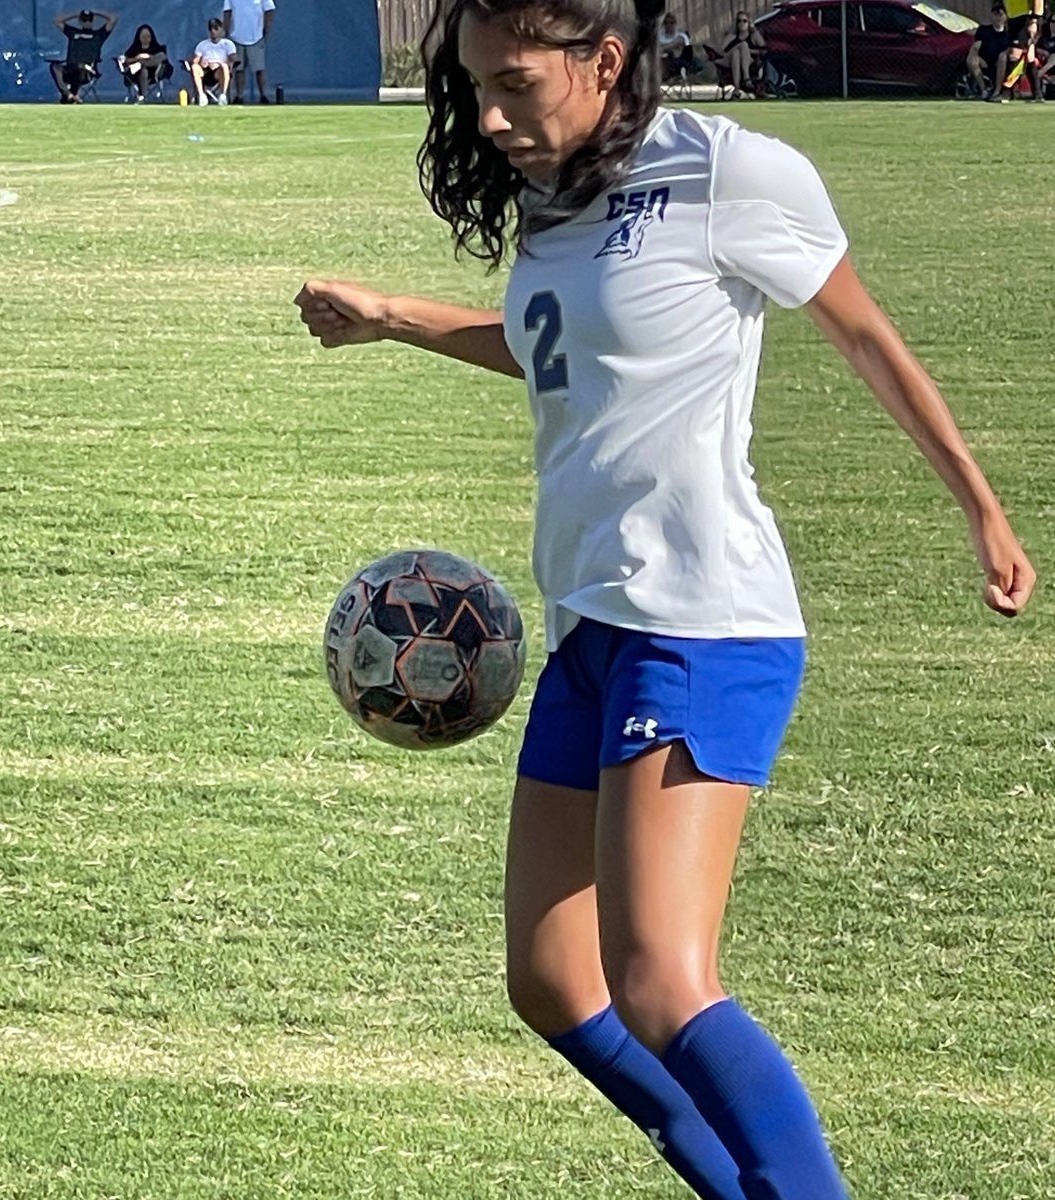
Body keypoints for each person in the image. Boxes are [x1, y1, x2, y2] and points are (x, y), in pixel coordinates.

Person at [295, 0, 1036, 1196]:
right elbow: (558, 347)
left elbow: (864, 338)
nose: (490, 119)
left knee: (659, 981)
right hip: (594, 625)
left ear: (604, 59)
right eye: (476, 88)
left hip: (702, 621)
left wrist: (980, 506)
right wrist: (394, 320)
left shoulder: (727, 171)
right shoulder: (557, 195)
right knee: (554, 981)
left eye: (514, 85)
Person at [50, 8, 117, 103]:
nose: (87, 22)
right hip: (70, 69)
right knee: (55, 67)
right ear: (80, 21)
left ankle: (71, 95)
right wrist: (76, 14)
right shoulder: (73, 33)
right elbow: (57, 21)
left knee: (79, 67)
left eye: (89, 19)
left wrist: (96, 13)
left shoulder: (99, 35)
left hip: (87, 71)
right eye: (84, 20)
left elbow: (113, 19)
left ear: (92, 21)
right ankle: (68, 94)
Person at [222, 0, 276, 103]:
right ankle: (239, 96)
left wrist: (266, 28)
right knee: (239, 69)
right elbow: (227, 12)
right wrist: (227, 31)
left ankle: (263, 95)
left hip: (256, 36)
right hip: (236, 36)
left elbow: (269, 10)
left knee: (259, 68)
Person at [988, 10, 1043, 100]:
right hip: (1015, 20)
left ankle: (1007, 91)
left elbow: (1037, 4)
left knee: (1015, 55)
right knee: (1029, 57)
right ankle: (1038, 93)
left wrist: (1034, 20)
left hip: (1024, 21)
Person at [118, 23, 171, 103]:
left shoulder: (158, 48)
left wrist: (148, 57)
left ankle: (141, 64)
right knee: (143, 70)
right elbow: (126, 60)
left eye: (148, 36)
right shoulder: (133, 49)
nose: (146, 38)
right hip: (136, 75)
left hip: (155, 74)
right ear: (139, 37)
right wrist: (138, 57)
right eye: (143, 36)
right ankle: (142, 96)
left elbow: (163, 58)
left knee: (161, 56)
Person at [968, 2, 1012, 98]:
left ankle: (997, 91)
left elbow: (1011, 50)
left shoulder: (1010, 33)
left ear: (1006, 17)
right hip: (985, 62)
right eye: (995, 15)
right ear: (991, 16)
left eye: (1000, 15)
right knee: (972, 59)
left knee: (1003, 56)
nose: (998, 18)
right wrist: (975, 56)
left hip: (1002, 64)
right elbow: (976, 47)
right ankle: (984, 90)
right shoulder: (983, 30)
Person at [191, 18, 238, 107]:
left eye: (216, 28)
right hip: (205, 72)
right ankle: (202, 96)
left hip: (219, 72)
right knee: (195, 67)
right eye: (211, 29)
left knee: (224, 66)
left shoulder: (228, 44)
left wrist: (219, 63)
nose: (213, 31)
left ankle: (223, 96)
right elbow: (195, 61)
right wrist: (202, 63)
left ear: (221, 29)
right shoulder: (202, 44)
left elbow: (234, 59)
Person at [722, 9, 765, 99]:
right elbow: (722, 50)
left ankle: (737, 89)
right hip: (731, 61)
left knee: (740, 50)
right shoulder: (732, 36)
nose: (741, 23)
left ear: (749, 22)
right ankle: (746, 78)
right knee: (738, 51)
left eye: (744, 21)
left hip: (749, 60)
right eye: (739, 21)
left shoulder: (754, 35)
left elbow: (764, 50)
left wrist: (748, 51)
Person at [658, 12, 699, 87]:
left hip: (677, 61)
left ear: (675, 24)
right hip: (659, 62)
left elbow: (674, 44)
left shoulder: (681, 36)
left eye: (671, 23)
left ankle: (678, 73)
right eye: (666, 23)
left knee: (669, 53)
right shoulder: (659, 36)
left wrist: (662, 48)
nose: (668, 25)